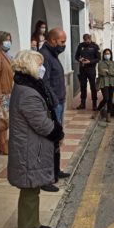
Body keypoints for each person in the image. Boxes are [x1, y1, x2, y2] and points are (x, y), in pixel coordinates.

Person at [8, 50, 64, 228]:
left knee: (33, 189)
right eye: (39, 64)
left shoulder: (27, 86)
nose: (43, 68)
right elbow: (41, 123)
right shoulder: (28, 93)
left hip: (32, 146)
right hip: (29, 148)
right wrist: (57, 132)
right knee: (30, 191)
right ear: (30, 66)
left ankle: (33, 223)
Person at [40, 28, 70, 191]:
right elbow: (45, 82)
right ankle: (49, 175)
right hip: (54, 104)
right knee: (51, 138)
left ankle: (56, 171)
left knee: (57, 138)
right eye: (62, 42)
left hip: (58, 101)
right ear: (52, 41)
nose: (63, 45)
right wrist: (54, 102)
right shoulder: (44, 55)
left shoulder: (52, 54)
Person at [74, 34, 100, 110]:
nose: (87, 41)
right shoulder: (80, 46)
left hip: (91, 69)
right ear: (83, 39)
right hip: (82, 69)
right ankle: (82, 104)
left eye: (88, 40)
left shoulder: (95, 46)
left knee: (93, 87)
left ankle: (94, 104)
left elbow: (98, 59)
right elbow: (76, 56)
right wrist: (79, 59)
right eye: (85, 40)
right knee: (83, 87)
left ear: (90, 39)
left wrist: (90, 61)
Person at [94, 48, 114, 123]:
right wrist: (110, 71)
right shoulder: (100, 63)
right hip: (104, 82)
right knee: (106, 98)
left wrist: (107, 71)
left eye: (108, 53)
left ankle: (108, 115)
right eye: (106, 53)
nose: (107, 55)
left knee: (110, 99)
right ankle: (97, 110)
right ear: (103, 55)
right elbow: (101, 72)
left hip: (112, 82)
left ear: (111, 55)